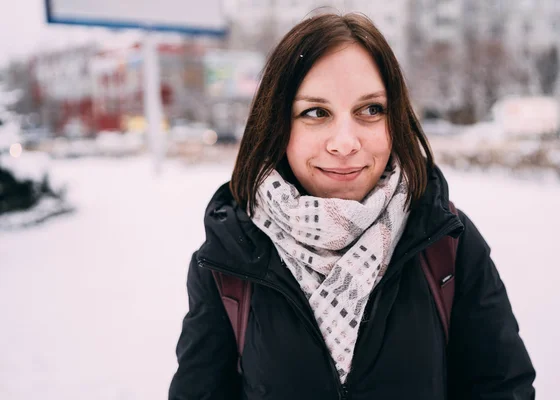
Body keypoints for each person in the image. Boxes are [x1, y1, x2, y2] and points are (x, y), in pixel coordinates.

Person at [168, 12, 535, 400]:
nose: (345, 143)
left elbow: (501, 387)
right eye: (316, 112)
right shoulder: (229, 258)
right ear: (278, 124)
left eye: (371, 110)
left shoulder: (447, 242)